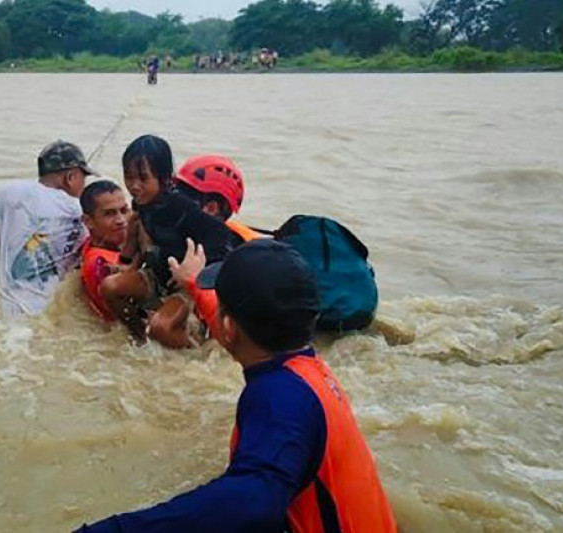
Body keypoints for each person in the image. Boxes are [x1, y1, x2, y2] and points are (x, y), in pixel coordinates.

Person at [74, 239, 398, 533]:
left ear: (228, 328)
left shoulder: (280, 396)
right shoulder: (306, 371)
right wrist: (193, 284)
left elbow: (252, 503)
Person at [103, 135, 237, 348]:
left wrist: (194, 275)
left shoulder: (182, 208)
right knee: (110, 287)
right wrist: (130, 264)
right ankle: (139, 339)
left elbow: (222, 240)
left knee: (161, 327)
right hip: (158, 275)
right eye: (129, 177)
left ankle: (193, 356)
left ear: (165, 178)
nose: (134, 186)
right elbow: (141, 240)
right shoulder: (142, 203)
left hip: (186, 284)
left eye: (143, 178)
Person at [0, 140, 92, 318]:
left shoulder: (7, 192)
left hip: (4, 312)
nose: (84, 185)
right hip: (48, 315)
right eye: (84, 177)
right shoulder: (82, 211)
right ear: (70, 177)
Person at [149, 154, 265, 345]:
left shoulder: (227, 253)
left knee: (161, 327)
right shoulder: (181, 229)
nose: (175, 202)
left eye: (183, 197)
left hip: (213, 310)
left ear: (211, 208)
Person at [79, 180, 131, 321]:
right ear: (88, 222)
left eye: (124, 210)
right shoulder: (101, 265)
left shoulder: (93, 244)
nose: (121, 220)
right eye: (110, 214)